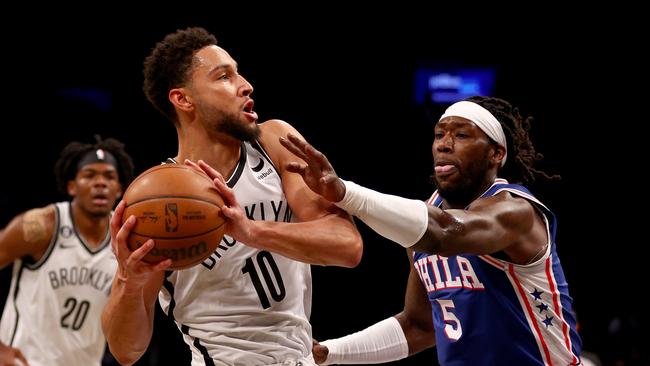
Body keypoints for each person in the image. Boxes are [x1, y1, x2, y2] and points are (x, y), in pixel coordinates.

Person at [101, 26, 363, 366]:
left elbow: (348, 245)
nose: (246, 85)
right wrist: (128, 279)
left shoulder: (274, 143)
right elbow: (127, 350)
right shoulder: (155, 202)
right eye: (224, 76)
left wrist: (251, 231)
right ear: (183, 99)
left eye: (238, 72)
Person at [279, 96, 582, 365]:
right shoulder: (426, 218)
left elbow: (445, 233)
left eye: (461, 135)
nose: (444, 144)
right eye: (439, 134)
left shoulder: (516, 212)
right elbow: (419, 326)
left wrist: (346, 193)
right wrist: (330, 353)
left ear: (496, 154)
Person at [0, 136, 135, 366]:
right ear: (72, 186)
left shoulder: (126, 240)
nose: (100, 183)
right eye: (89, 175)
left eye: (109, 177)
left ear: (120, 189)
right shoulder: (42, 225)